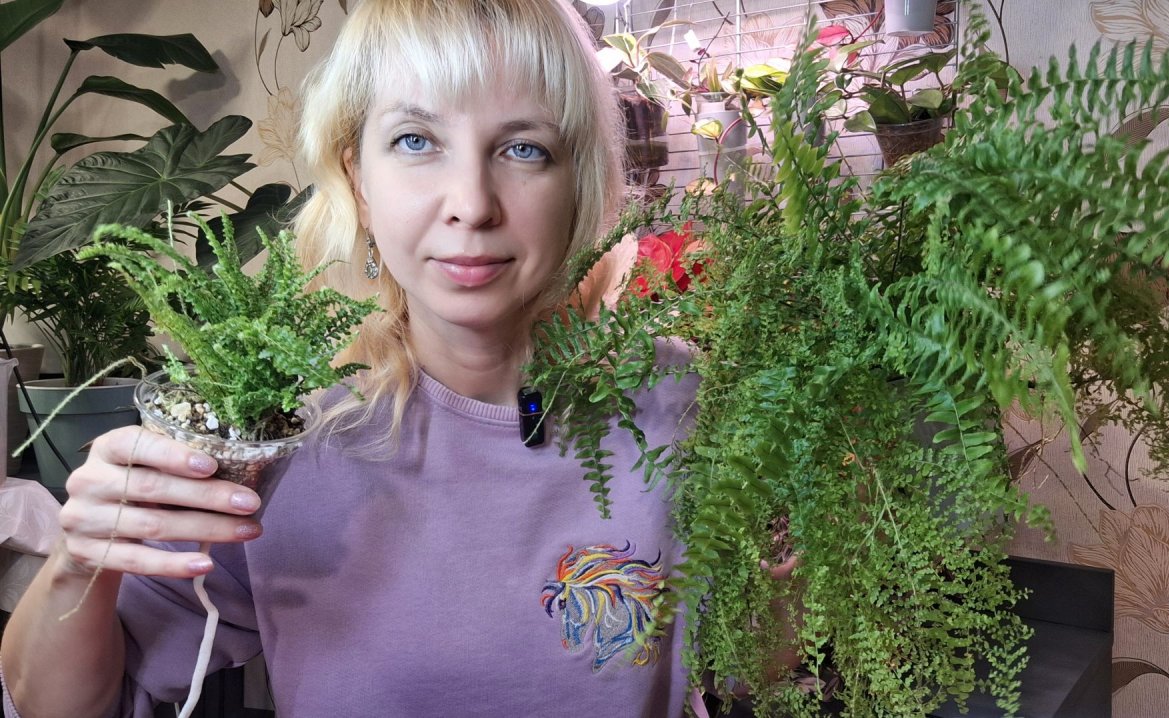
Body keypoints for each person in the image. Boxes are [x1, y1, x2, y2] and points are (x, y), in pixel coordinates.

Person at [0, 1, 702, 715]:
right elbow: (55, 704)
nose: (471, 205)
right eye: (416, 141)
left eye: (524, 149)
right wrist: (77, 563)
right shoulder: (277, 433)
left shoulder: (684, 407)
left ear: (578, 180)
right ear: (359, 180)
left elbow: (752, 664)